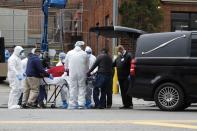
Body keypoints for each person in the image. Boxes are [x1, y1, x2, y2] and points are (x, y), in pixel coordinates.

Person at [65, 41, 89, 109]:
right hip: (81, 73)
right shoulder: (84, 54)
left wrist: (67, 70)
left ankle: (72, 103)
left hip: (72, 73)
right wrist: (86, 72)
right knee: (81, 87)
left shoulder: (69, 53)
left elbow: (66, 63)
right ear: (81, 46)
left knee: (73, 87)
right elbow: (87, 65)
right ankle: (81, 104)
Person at [113, 45, 133, 109]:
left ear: (121, 50)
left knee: (127, 91)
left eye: (118, 51)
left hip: (127, 77)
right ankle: (125, 104)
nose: (118, 53)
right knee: (123, 91)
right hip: (120, 77)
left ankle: (129, 104)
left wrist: (130, 75)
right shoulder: (119, 57)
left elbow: (132, 65)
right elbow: (113, 64)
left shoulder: (128, 55)